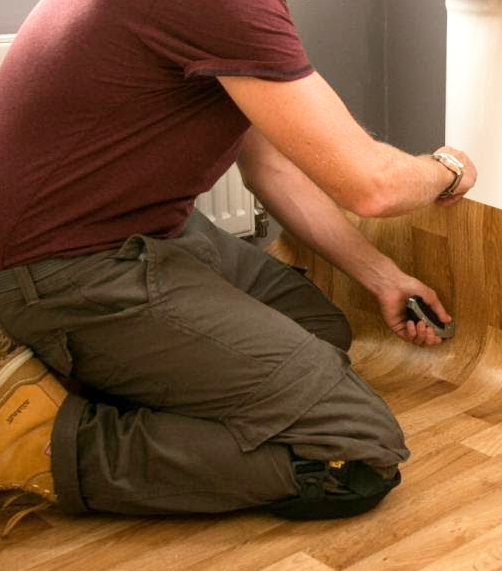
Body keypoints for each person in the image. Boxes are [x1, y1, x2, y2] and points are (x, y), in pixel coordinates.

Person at [0, 0, 477, 536]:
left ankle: (74, 376)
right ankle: (40, 444)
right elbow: (373, 186)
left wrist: (382, 276)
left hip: (145, 231)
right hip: (67, 268)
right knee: (355, 453)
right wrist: (448, 170)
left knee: (322, 332)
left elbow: (271, 169)